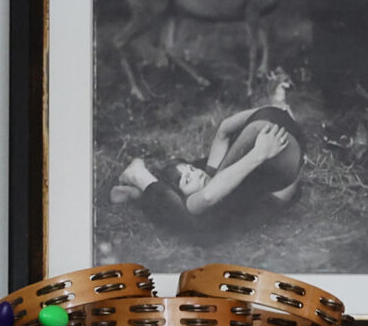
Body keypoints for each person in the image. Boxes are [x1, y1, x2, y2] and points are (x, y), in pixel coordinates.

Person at [109, 80, 307, 233]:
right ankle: (140, 179)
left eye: (192, 170)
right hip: (273, 168)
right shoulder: (203, 192)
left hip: (278, 158)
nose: (197, 174)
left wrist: (266, 113)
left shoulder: (212, 176)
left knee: (192, 220)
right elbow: (207, 195)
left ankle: (140, 186)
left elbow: (223, 131)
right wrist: (259, 153)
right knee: (192, 219)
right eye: (188, 179)